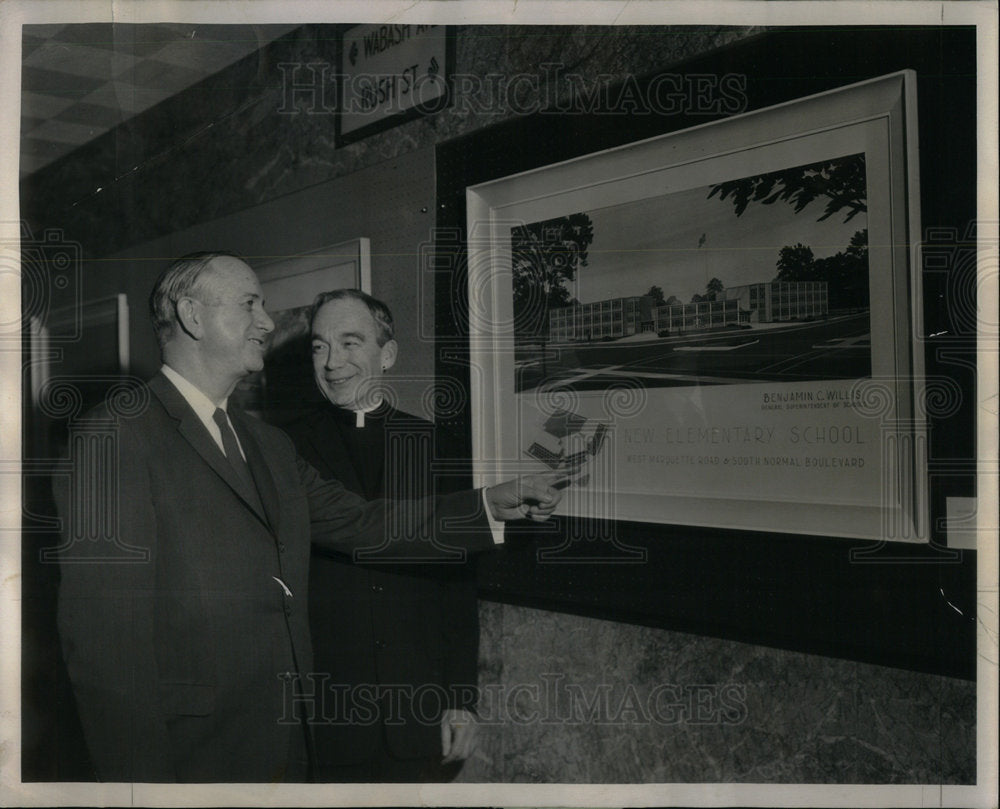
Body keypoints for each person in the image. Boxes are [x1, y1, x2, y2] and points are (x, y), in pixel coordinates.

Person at [54, 252, 563, 783]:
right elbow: (106, 656)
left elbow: (365, 522)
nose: (269, 323)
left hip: (286, 745)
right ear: (192, 316)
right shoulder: (116, 436)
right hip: (194, 759)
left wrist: (485, 505)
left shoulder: (265, 443)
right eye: (250, 304)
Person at [282, 290, 479, 782]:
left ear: (386, 355)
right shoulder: (282, 448)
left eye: (350, 343)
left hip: (417, 711)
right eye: (320, 347)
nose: (333, 363)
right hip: (323, 711)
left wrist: (460, 698)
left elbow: (458, 585)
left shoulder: (436, 445)